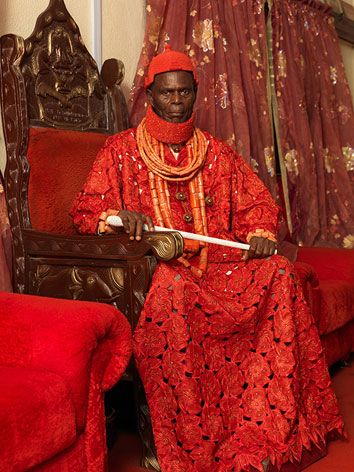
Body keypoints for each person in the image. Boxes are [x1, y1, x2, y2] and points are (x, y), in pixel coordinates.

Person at [71, 48, 343, 472]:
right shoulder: (120, 151)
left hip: (221, 267)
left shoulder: (219, 153)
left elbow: (257, 206)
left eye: (184, 92)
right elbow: (86, 212)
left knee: (279, 272)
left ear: (196, 92)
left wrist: (259, 236)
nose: (176, 101)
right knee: (173, 289)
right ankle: (195, 443)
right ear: (150, 96)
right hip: (162, 274)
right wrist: (120, 217)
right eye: (167, 93)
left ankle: (271, 425)